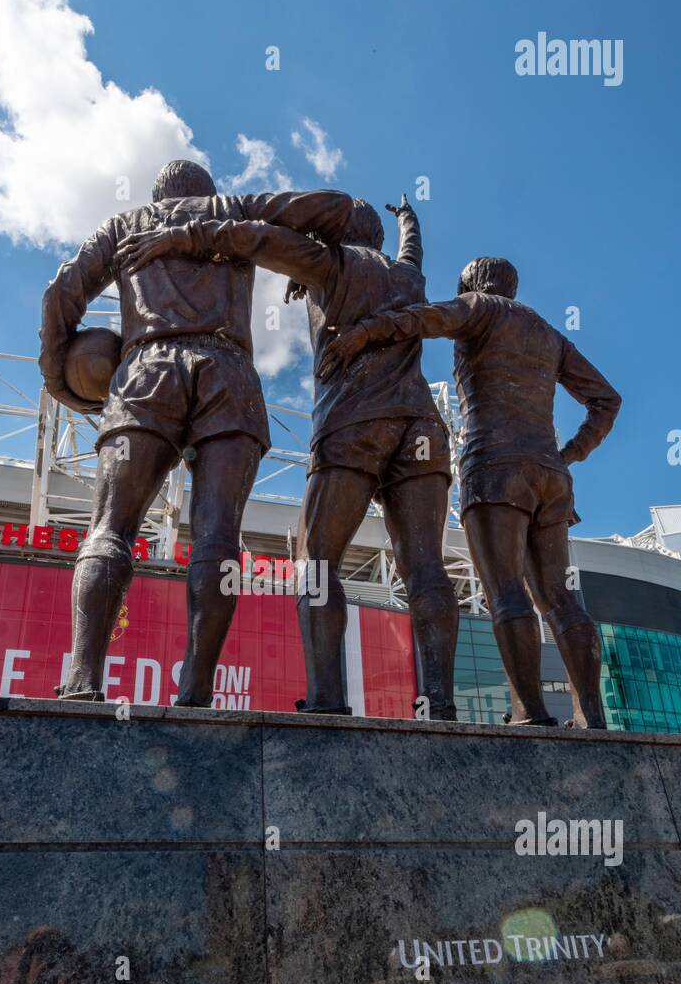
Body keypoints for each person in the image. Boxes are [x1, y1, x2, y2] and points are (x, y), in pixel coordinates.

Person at [117, 195, 458, 719]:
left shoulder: (328, 261)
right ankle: (440, 703)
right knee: (426, 568)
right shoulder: (409, 278)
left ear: (335, 234)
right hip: (422, 427)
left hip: (355, 423)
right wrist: (408, 218)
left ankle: (326, 699)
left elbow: (249, 237)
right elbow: (413, 249)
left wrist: (177, 238)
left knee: (317, 564)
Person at [39, 160, 351, 704]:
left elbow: (60, 291)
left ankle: (84, 678)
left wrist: (58, 376)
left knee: (111, 527)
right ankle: (197, 688)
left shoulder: (125, 225)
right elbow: (335, 207)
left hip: (144, 371)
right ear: (206, 192)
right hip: (227, 374)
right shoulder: (233, 211)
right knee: (217, 539)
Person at [317, 257, 622, 727]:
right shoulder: (549, 334)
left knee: (506, 592)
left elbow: (420, 318)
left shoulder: (479, 308)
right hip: (551, 476)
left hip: (496, 470)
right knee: (561, 599)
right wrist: (569, 454)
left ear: (472, 284)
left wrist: (363, 333)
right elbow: (607, 400)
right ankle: (593, 716)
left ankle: (532, 711)